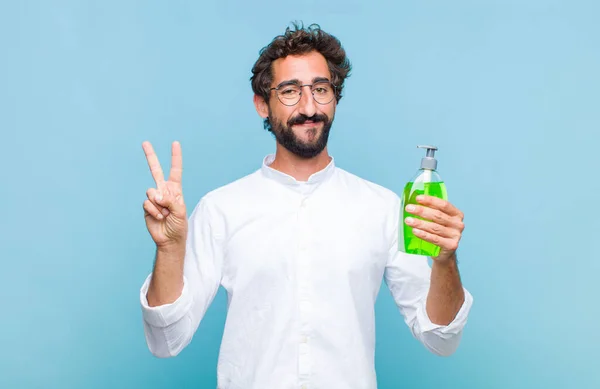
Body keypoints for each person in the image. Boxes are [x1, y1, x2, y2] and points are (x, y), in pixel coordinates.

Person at [139, 22, 473, 389]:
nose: (309, 106)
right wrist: (170, 250)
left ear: (335, 98)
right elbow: (166, 341)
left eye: (320, 89)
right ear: (262, 105)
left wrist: (445, 262)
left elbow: (441, 338)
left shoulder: (382, 208)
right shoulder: (221, 209)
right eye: (290, 91)